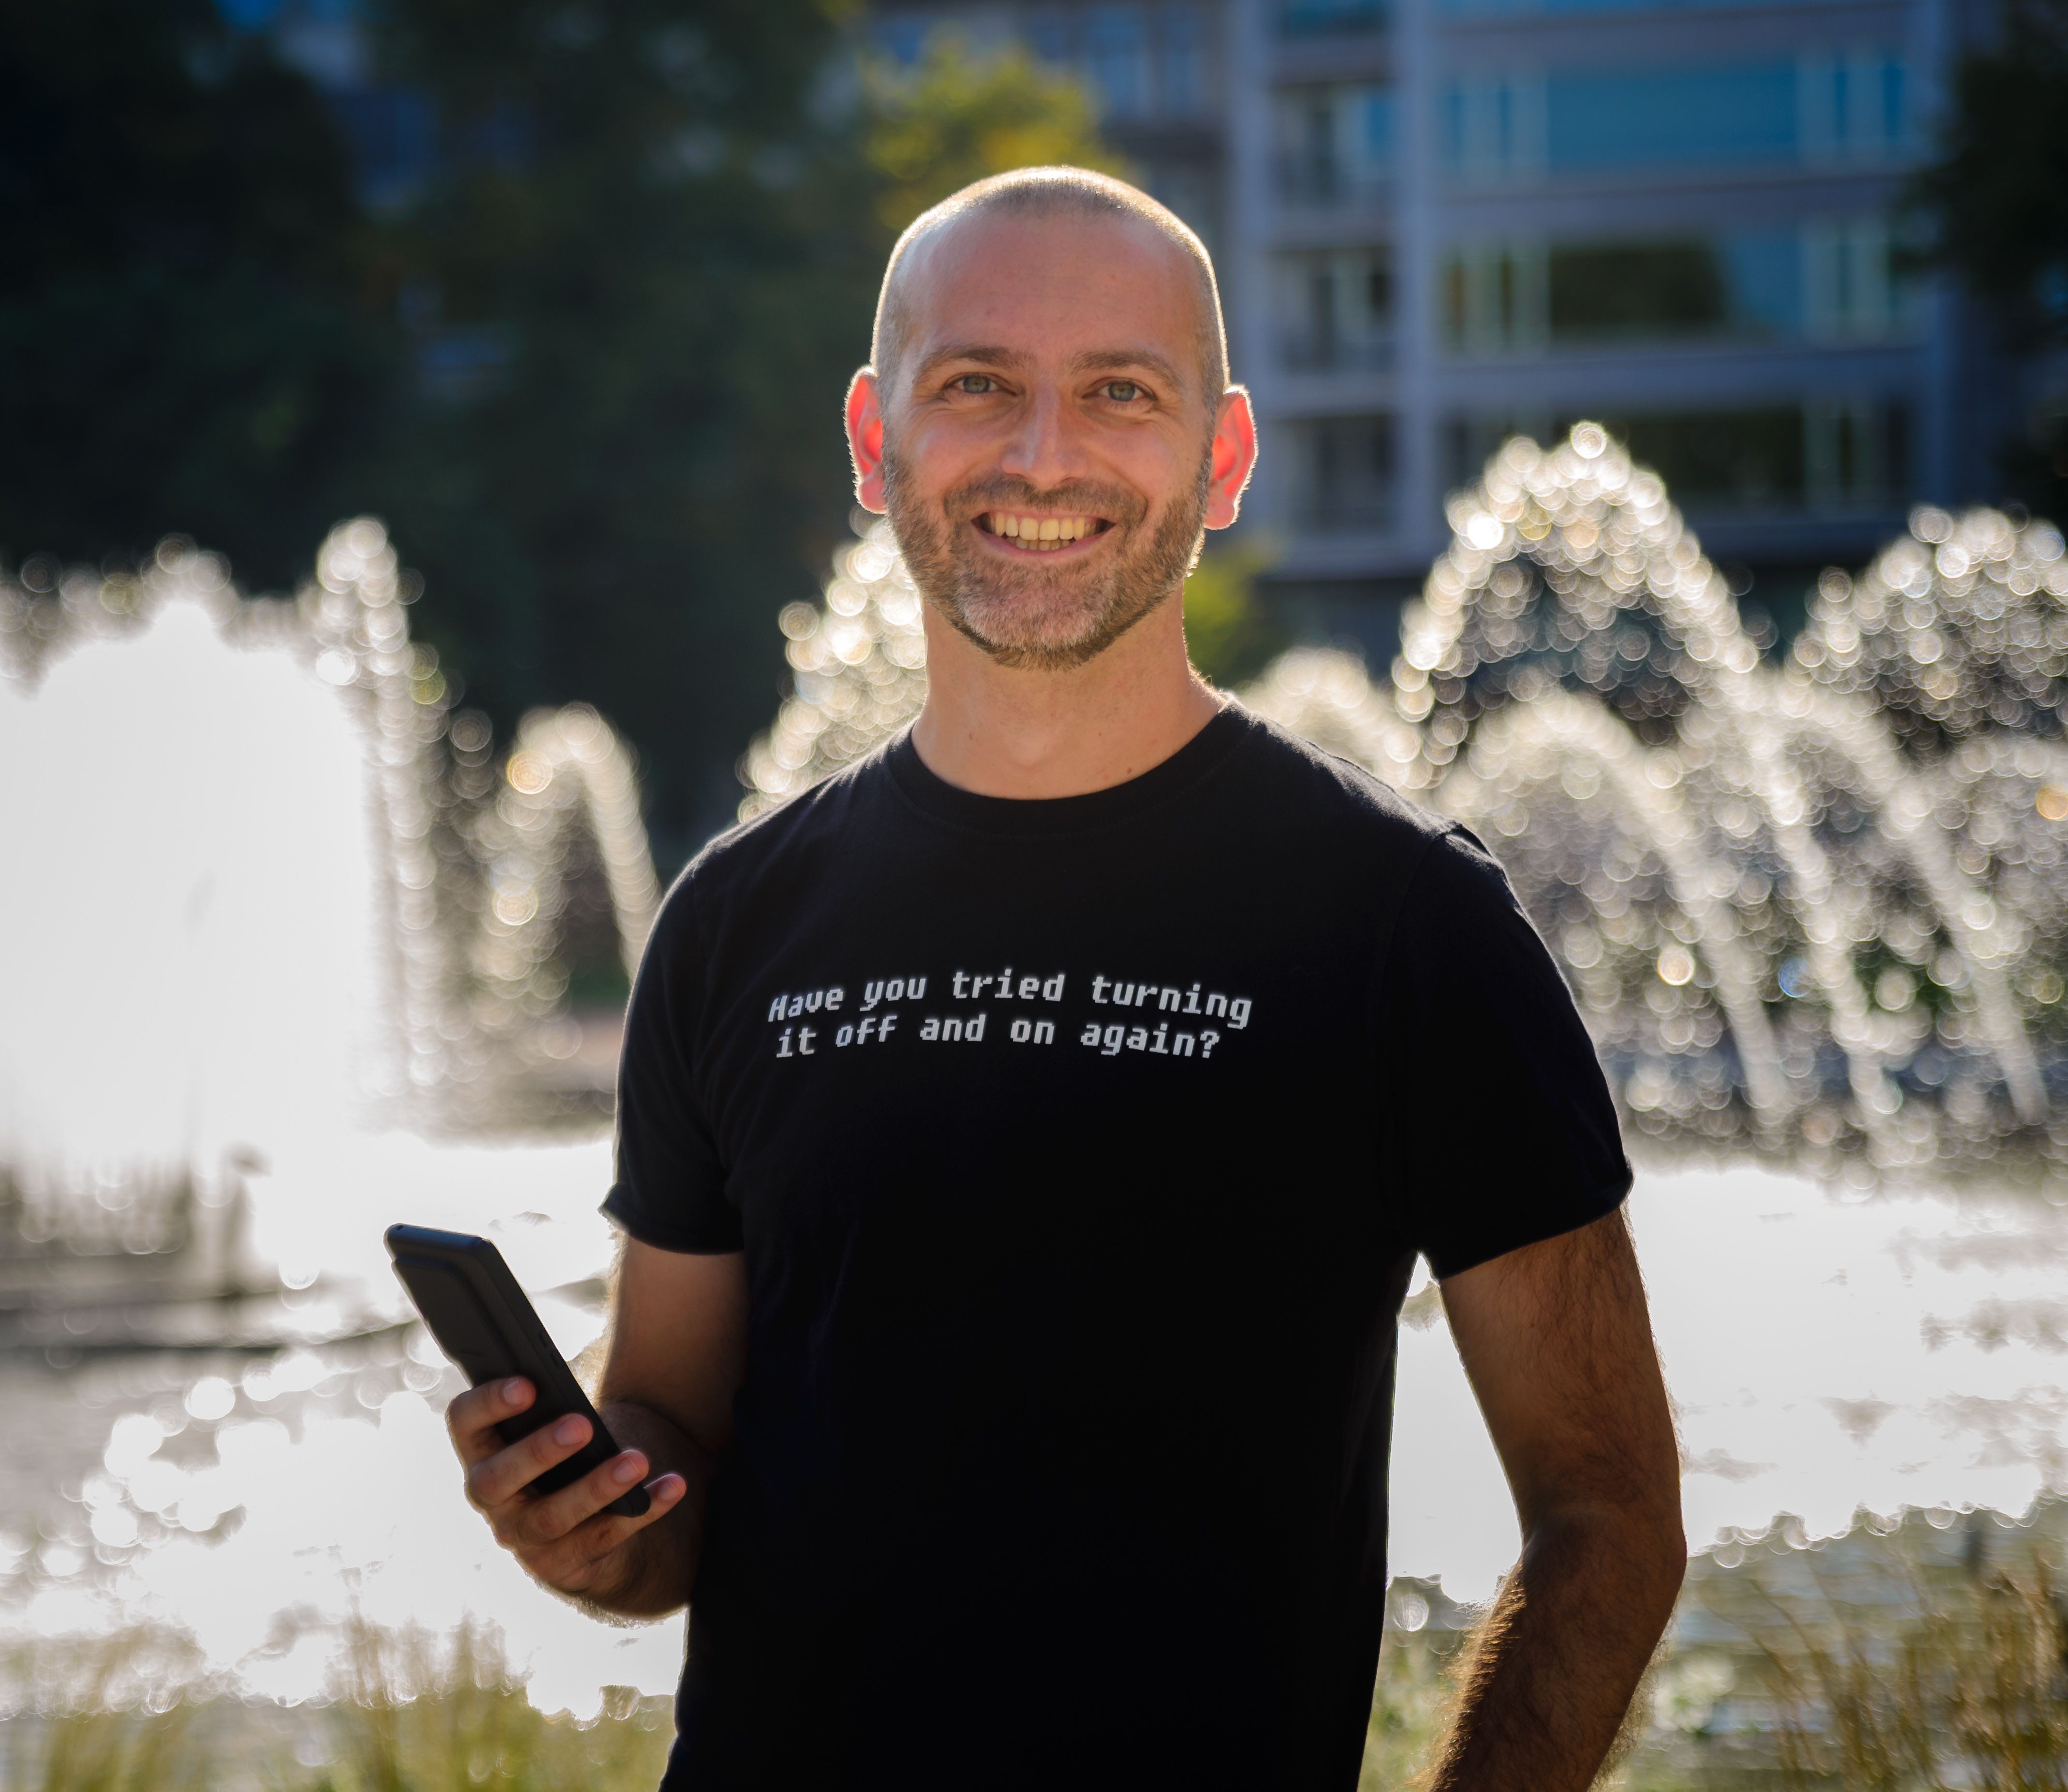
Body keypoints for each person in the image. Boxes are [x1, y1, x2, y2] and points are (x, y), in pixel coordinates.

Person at [443, 165, 1684, 1789]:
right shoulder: (736, 923)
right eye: (975, 388)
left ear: (1222, 455)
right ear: (874, 438)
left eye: (1119, 393)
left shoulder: (1406, 927)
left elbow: (1610, 1516)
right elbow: (674, 1460)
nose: (1042, 456)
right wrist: (589, 1521)